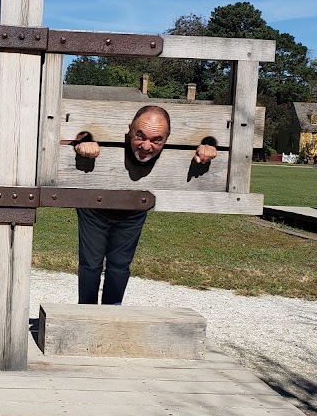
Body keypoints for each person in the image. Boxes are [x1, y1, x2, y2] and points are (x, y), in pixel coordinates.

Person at [73, 105, 217, 305]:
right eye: (140, 136)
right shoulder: (111, 137)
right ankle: (86, 313)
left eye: (157, 140)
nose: (146, 146)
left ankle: (112, 314)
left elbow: (208, 141)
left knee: (120, 265)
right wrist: (84, 142)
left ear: (168, 138)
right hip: (93, 209)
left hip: (133, 211)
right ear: (129, 129)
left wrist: (208, 146)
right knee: (90, 264)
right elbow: (76, 132)